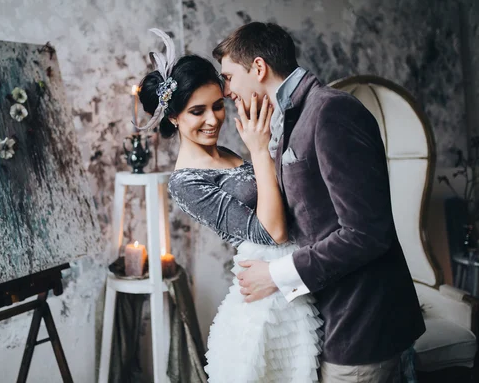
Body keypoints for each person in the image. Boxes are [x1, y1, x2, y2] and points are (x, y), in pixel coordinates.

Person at [213, 21, 425, 382]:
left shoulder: (331, 111)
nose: (227, 90)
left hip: (360, 329)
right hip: (325, 323)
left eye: (229, 77)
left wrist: (276, 276)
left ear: (259, 67)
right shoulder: (284, 122)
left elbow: (366, 233)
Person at [136, 29, 322, 382]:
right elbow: (273, 231)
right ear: (173, 117)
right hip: (265, 304)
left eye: (218, 105)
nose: (213, 120)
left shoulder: (228, 154)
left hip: (289, 281)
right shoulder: (186, 182)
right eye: (197, 111)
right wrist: (259, 149)